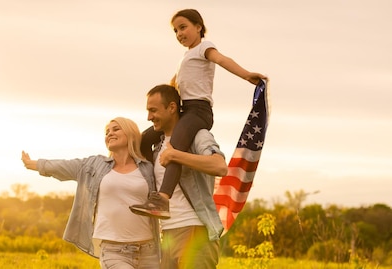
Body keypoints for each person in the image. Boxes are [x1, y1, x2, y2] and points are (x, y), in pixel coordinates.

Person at [133, 8, 266, 218]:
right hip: (186, 110)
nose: (179, 34)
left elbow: (222, 60)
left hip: (199, 111)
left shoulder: (205, 47)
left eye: (183, 27)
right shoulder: (186, 57)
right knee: (144, 138)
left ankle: (163, 199)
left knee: (175, 147)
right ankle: (152, 189)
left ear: (198, 27)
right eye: (175, 31)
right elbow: (174, 83)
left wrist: (246, 74)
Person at [21, 117, 161, 269]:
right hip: (114, 251)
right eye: (107, 132)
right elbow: (64, 165)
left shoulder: (147, 168)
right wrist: (35, 164)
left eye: (116, 129)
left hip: (148, 250)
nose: (110, 134)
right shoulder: (94, 165)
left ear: (130, 133)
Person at [134, 84, 227, 269]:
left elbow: (220, 166)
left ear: (172, 107)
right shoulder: (157, 146)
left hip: (195, 230)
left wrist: (176, 155)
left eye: (153, 110)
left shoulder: (198, 136)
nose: (149, 117)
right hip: (167, 234)